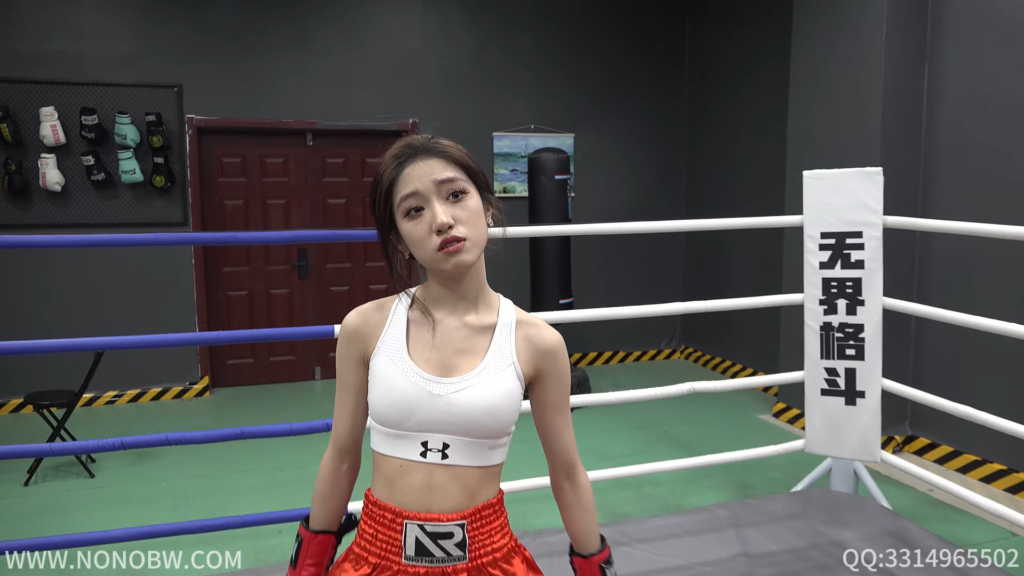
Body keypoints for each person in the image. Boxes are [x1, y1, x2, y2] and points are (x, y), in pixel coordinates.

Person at [286, 135, 616, 576]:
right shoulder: (365, 328)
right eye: (414, 210)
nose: (441, 220)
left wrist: (596, 568)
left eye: (456, 195)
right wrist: (306, 567)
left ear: (487, 207)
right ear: (400, 240)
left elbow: (568, 473)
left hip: (490, 557)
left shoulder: (537, 343)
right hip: (375, 556)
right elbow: (342, 456)